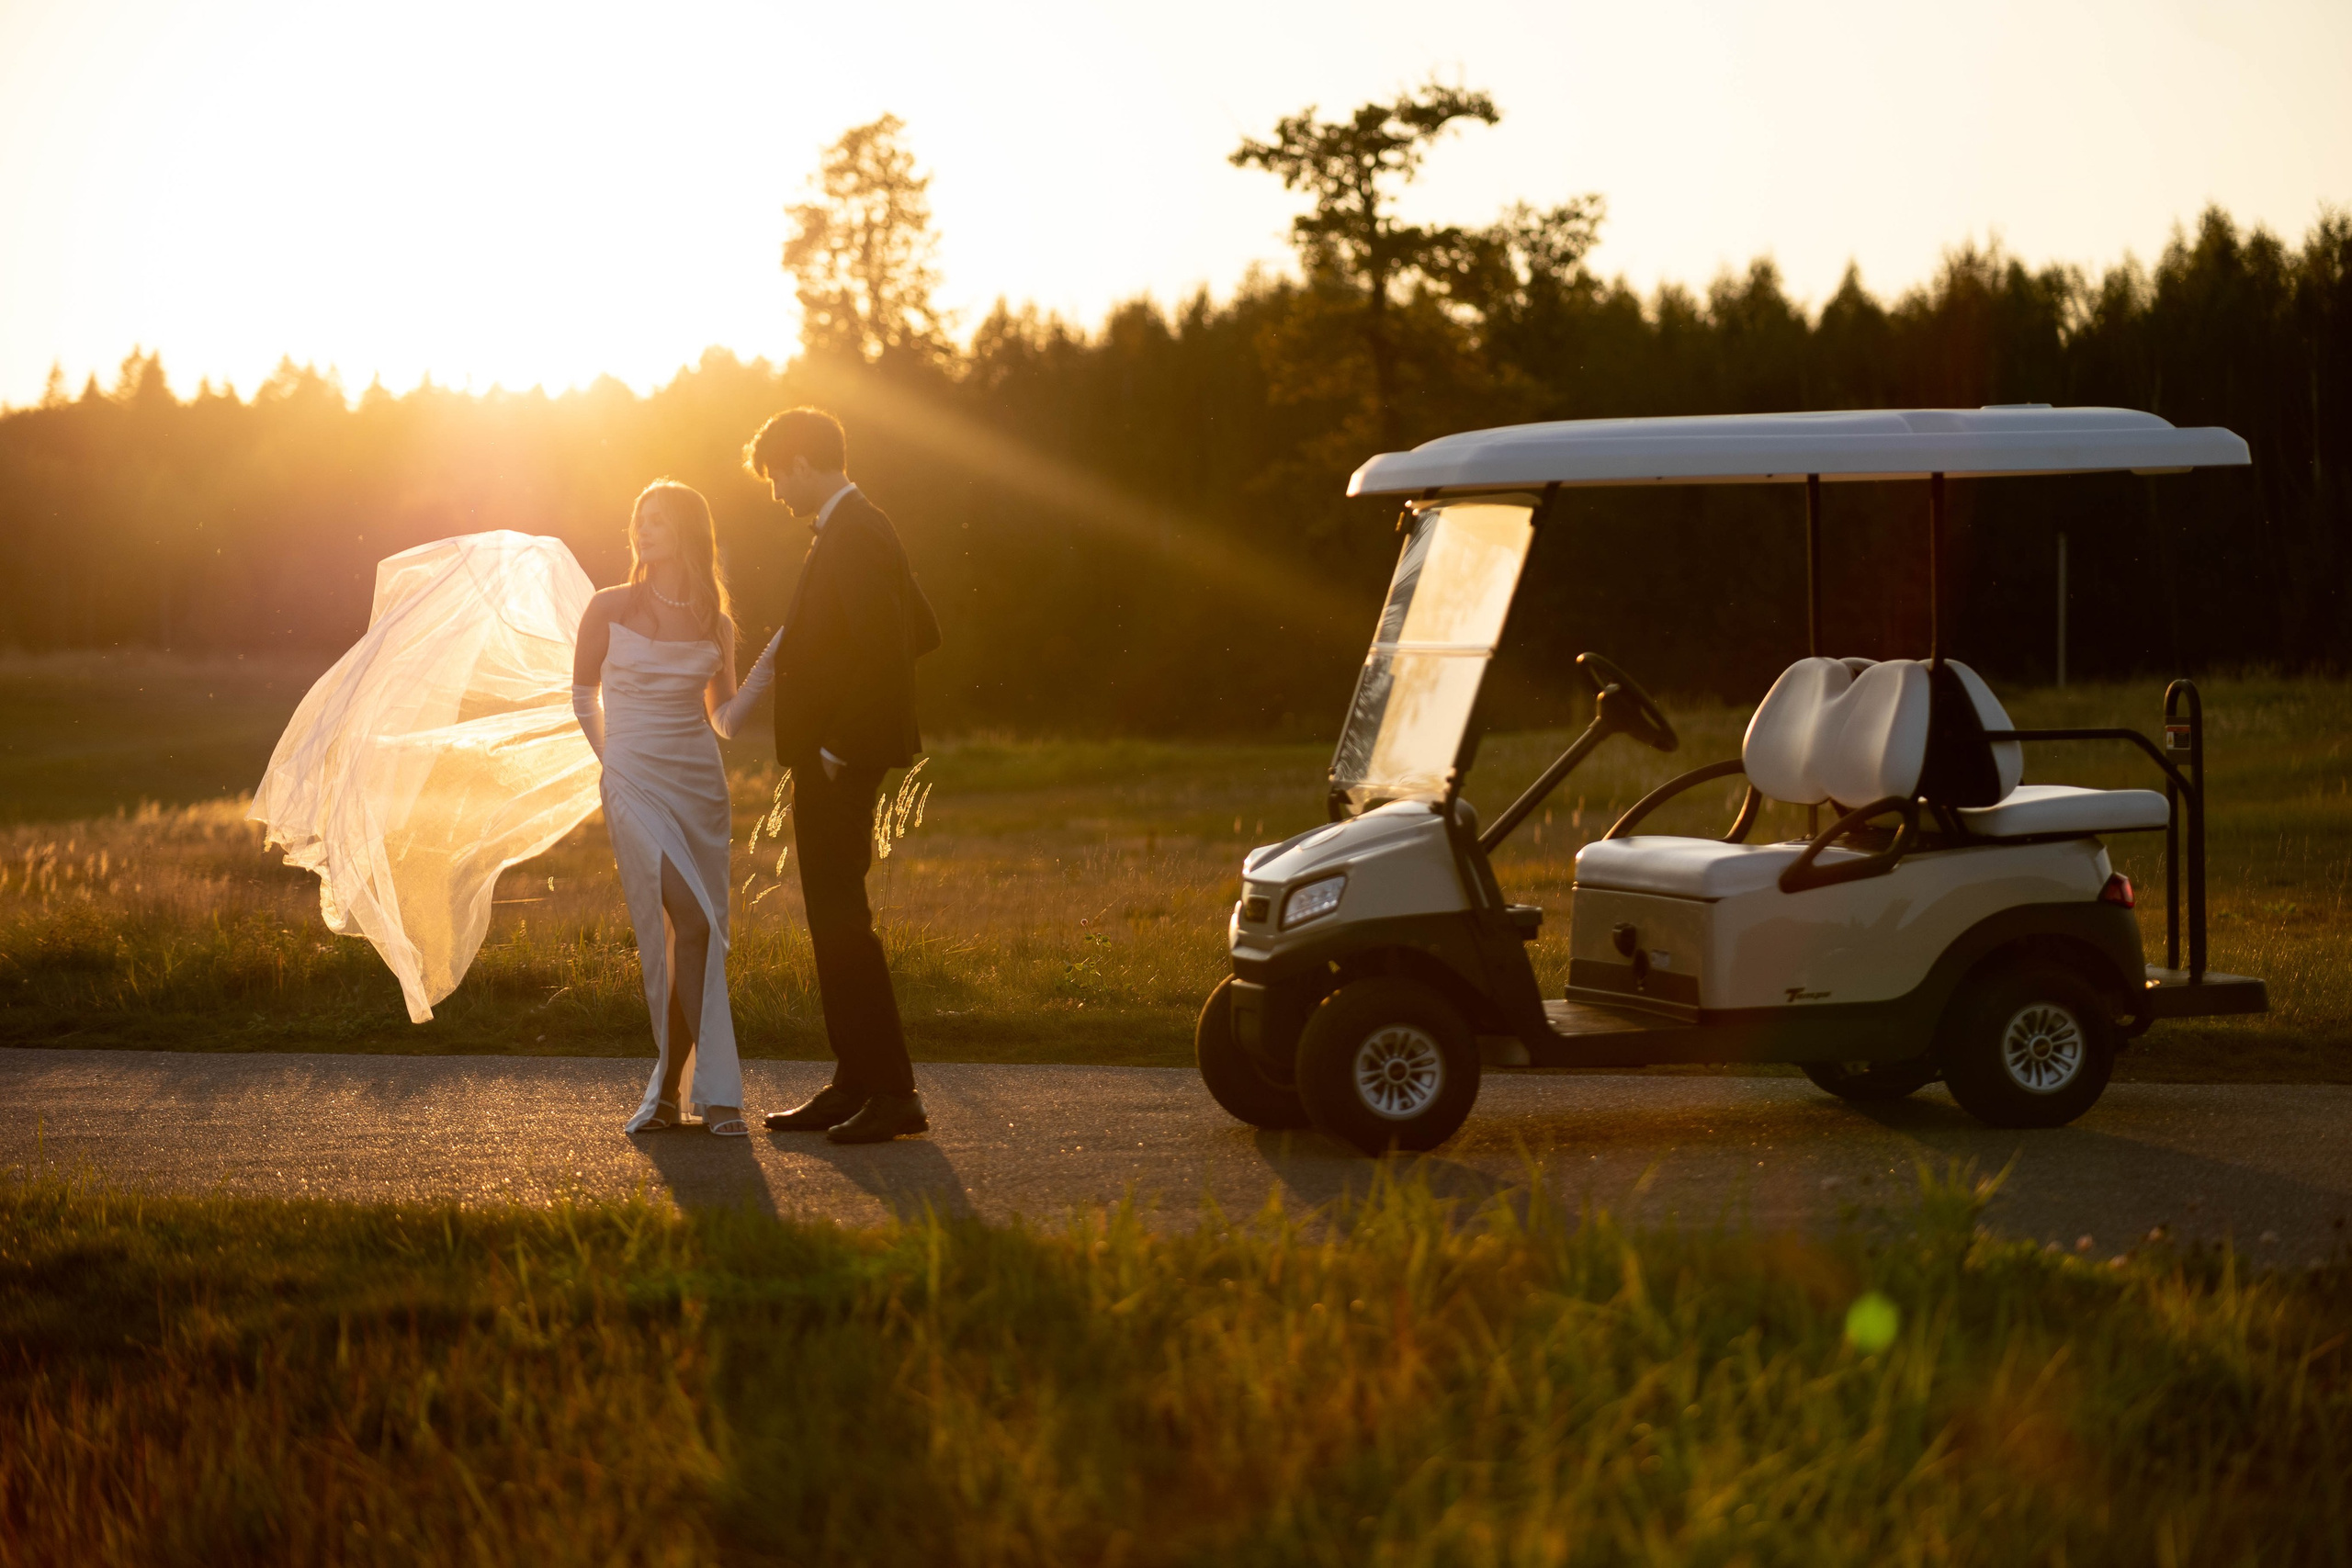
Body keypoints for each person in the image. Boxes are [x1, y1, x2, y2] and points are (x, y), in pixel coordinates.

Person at [743, 408, 941, 1144]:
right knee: (833, 916)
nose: (774, 492)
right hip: (834, 756)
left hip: (839, 763)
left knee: (842, 922)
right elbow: (920, 628)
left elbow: (891, 647)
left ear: (799, 461)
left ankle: (893, 1091)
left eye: (774, 476)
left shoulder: (855, 530)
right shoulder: (860, 527)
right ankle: (855, 1079)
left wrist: (838, 746)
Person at [571, 480, 782, 1136]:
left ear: (689, 530)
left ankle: (667, 1093)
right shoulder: (606, 606)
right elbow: (582, 698)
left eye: (658, 520)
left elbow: (723, 721)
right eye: (639, 519)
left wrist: (768, 670)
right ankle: (719, 1095)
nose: (643, 529)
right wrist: (614, 768)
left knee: (696, 936)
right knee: (690, 919)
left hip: (699, 787)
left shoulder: (713, 619)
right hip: (631, 779)